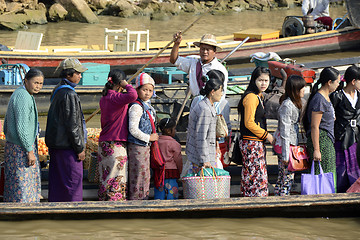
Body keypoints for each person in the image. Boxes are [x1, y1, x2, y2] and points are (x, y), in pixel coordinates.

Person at [45, 58, 88, 202]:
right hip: (67, 148)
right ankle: (73, 215)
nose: (80, 76)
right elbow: (72, 125)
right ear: (69, 75)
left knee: (58, 184)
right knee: (72, 184)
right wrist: (80, 148)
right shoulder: (69, 94)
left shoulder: (57, 90)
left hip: (57, 146)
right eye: (78, 73)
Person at [3, 68, 44, 202]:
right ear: (26, 81)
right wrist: (29, 150)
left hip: (17, 145)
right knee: (22, 183)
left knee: (17, 181)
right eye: (35, 82)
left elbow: (6, 125)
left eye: (41, 83)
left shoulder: (23, 93)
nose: (38, 86)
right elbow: (22, 127)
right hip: (20, 148)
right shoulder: (23, 97)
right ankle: (23, 209)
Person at [97, 69, 138, 201]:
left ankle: (103, 203)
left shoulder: (104, 98)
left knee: (106, 178)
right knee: (116, 178)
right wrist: (127, 85)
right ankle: (115, 206)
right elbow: (133, 95)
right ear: (119, 83)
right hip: (116, 144)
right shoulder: (116, 98)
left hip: (104, 143)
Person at [237, 66, 274, 197]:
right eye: (260, 80)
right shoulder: (252, 97)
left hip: (255, 142)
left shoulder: (259, 96)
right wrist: (267, 135)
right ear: (254, 80)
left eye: (266, 80)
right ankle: (255, 200)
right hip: (251, 143)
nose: (263, 83)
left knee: (252, 174)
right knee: (256, 176)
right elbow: (249, 122)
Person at [303, 67, 340, 192]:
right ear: (329, 82)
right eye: (337, 81)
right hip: (321, 141)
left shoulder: (326, 97)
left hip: (327, 140)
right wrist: (317, 149)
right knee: (323, 174)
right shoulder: (319, 99)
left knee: (329, 174)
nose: (339, 84)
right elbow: (314, 126)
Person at [181, 73, 224, 176]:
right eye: (220, 91)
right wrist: (205, 159)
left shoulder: (208, 105)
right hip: (201, 157)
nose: (222, 94)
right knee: (202, 186)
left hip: (204, 153)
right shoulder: (204, 109)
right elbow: (201, 136)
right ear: (213, 92)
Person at [127, 73, 158, 200]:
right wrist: (149, 138)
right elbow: (133, 129)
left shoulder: (147, 106)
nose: (147, 93)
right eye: (144, 90)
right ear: (138, 90)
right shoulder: (136, 107)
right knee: (139, 176)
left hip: (144, 148)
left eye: (150, 90)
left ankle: (142, 199)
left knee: (144, 175)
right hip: (137, 147)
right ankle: (137, 201)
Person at [274, 75, 306, 196]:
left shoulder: (293, 103)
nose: (304, 91)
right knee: (287, 178)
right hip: (286, 146)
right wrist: (286, 155)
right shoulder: (287, 105)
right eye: (301, 88)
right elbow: (285, 131)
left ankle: (278, 198)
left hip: (289, 144)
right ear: (294, 90)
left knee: (283, 177)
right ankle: (283, 200)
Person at [330, 65, 360, 193]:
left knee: (357, 168)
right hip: (341, 137)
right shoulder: (337, 96)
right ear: (353, 81)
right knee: (341, 169)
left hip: (357, 137)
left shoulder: (359, 95)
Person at [155, 118, 183, 200]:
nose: (175, 131)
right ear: (168, 130)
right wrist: (180, 170)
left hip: (158, 171)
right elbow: (178, 160)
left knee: (159, 192)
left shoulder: (156, 142)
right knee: (171, 193)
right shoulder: (174, 144)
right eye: (174, 129)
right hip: (171, 171)